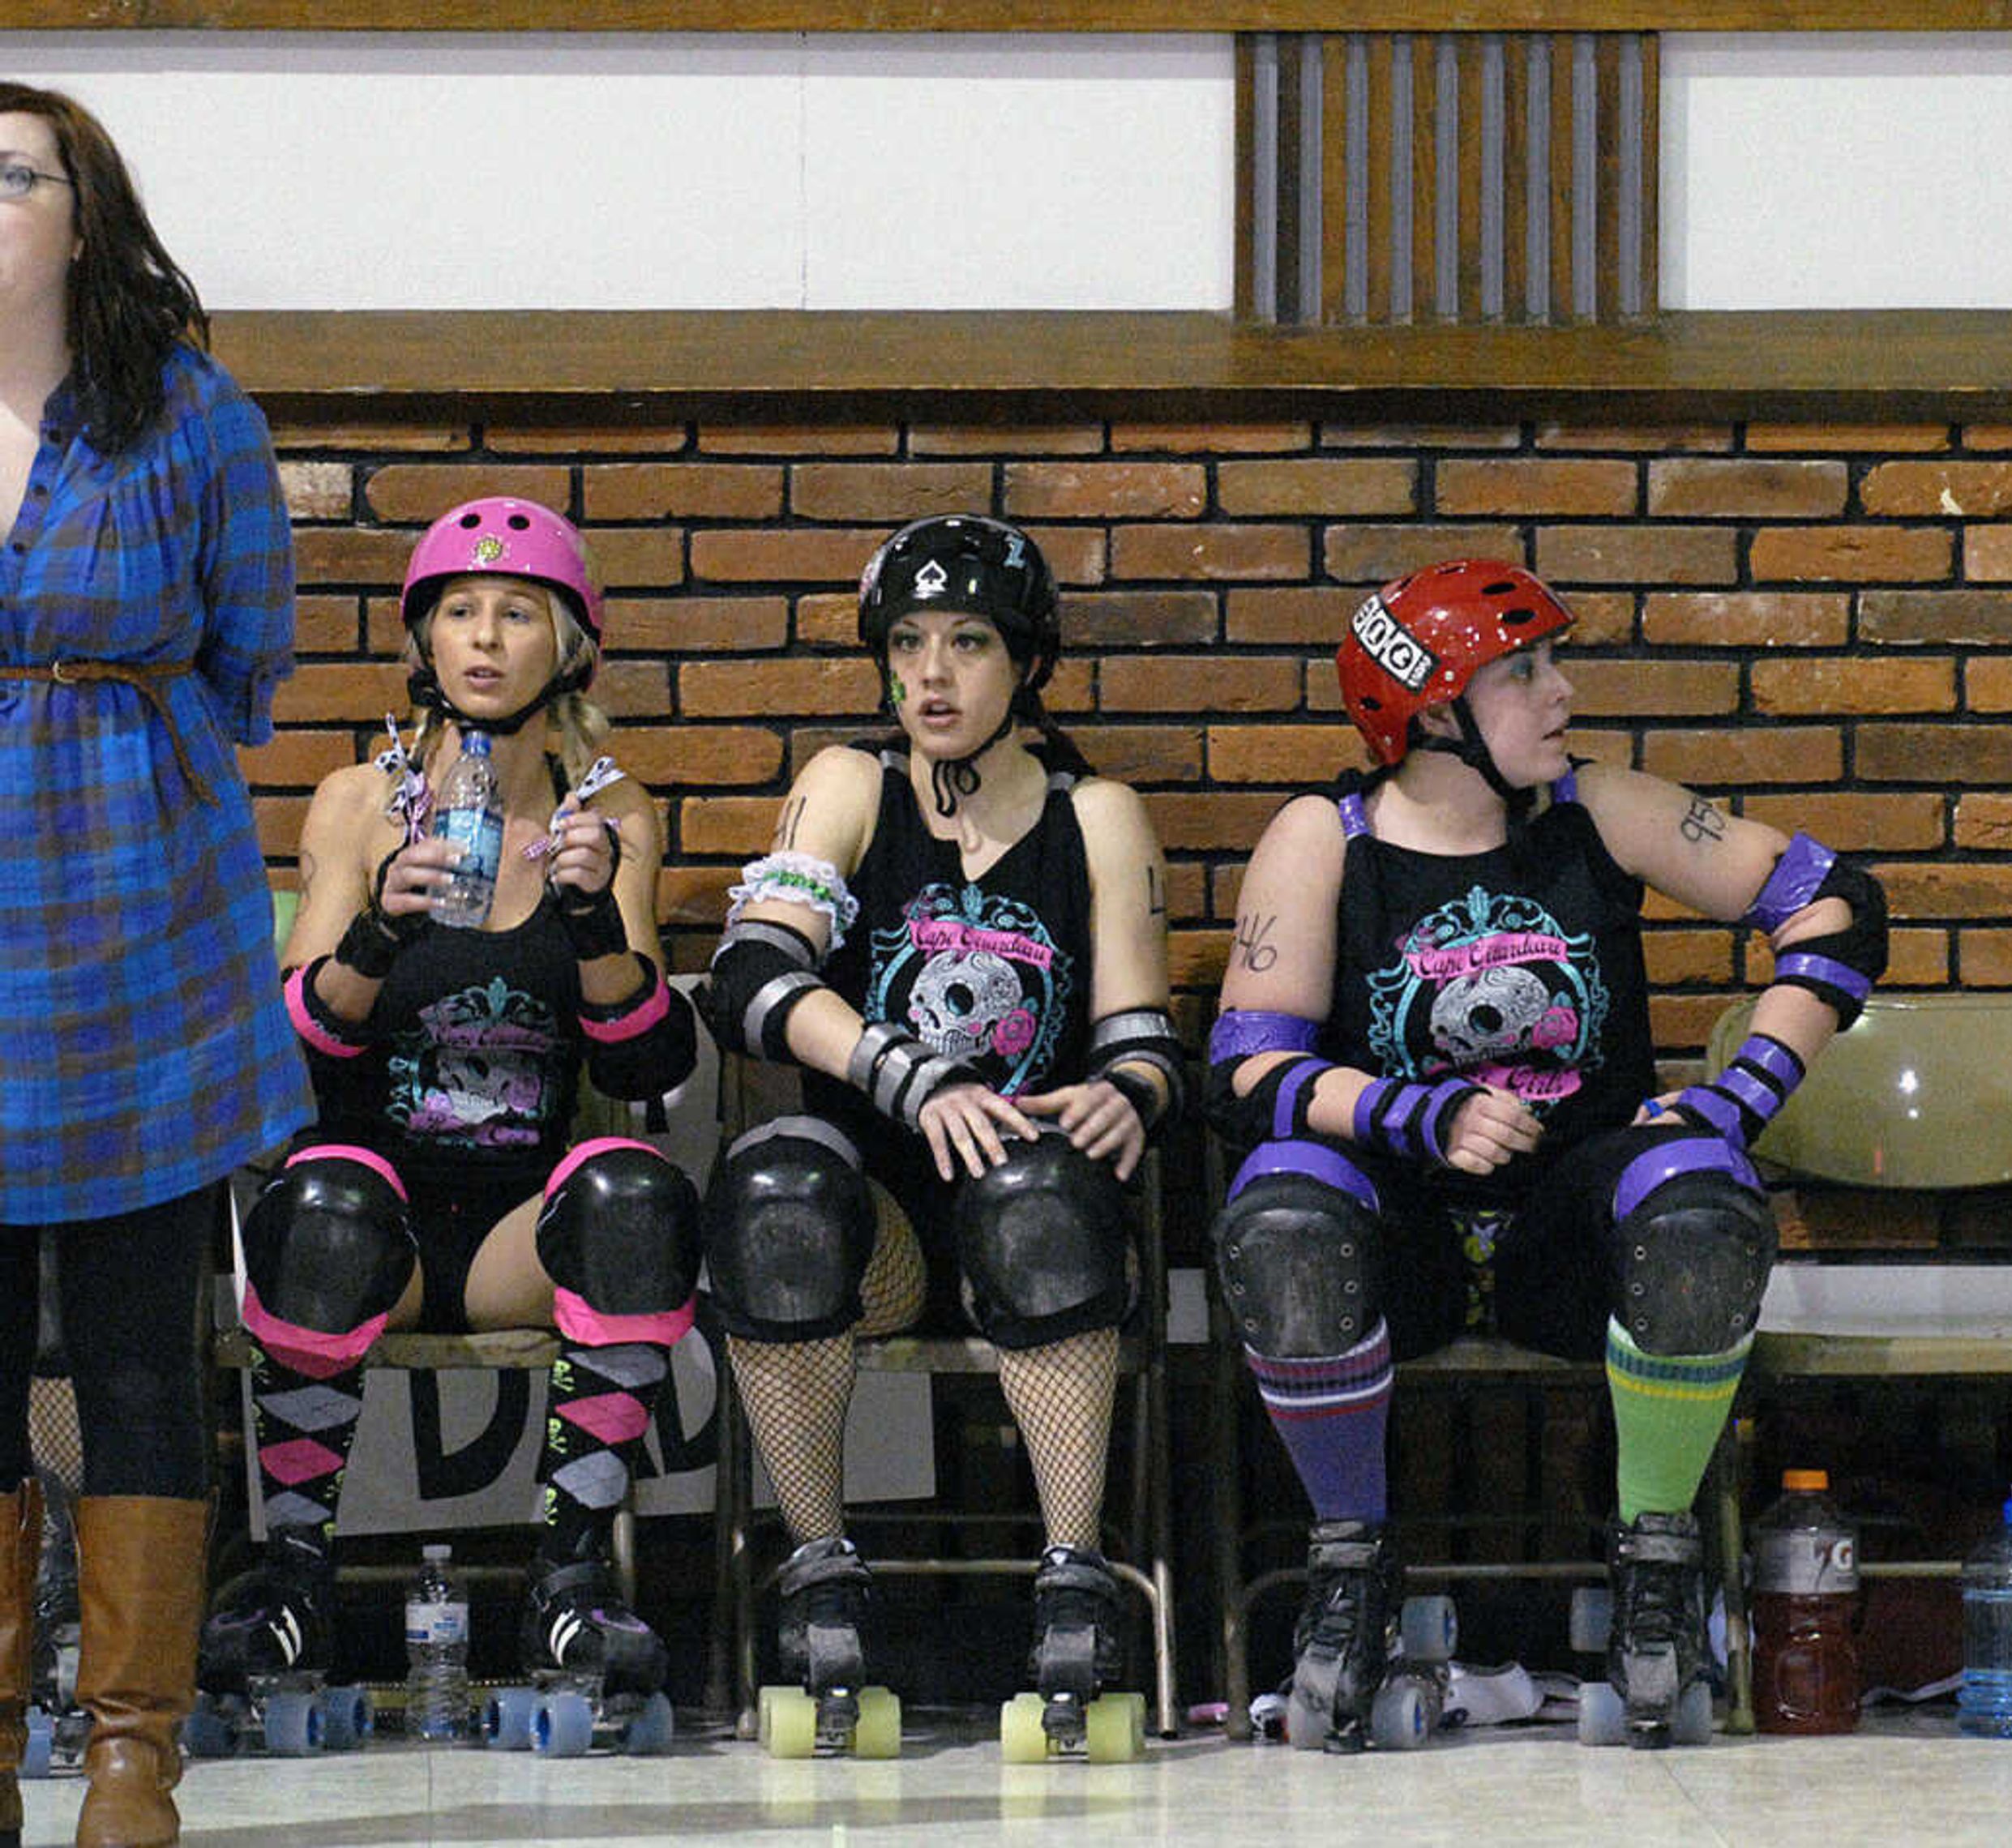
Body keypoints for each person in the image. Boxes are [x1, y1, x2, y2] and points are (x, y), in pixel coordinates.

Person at [1205, 559, 1886, 1752]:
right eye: (1522, 672)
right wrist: (1413, 1117)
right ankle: (1350, 1579)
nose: (1561, 692)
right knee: (1283, 1203)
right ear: (1430, 711)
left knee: (1701, 1196)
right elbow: (1243, 1073)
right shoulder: (1327, 836)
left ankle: (1656, 1576)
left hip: (1573, 1235)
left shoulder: (1603, 807)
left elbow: (1836, 906)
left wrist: (1740, 1096)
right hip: (1401, 1230)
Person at [204, 497, 702, 1730]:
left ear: (570, 646)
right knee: (319, 1207)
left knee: (637, 1192)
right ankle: (298, 1577)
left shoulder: (614, 812)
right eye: (459, 613)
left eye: (516, 613)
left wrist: (592, 919)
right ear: (422, 643)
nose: (484, 639)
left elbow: (646, 1059)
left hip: (512, 1233)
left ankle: (569, 1578)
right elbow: (292, 1046)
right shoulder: (357, 805)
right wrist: (378, 924)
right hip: (371, 1200)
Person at [702, 514, 1179, 1747]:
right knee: (776, 1196)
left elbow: (1143, 1040)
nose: (931, 673)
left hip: (1027, 1207)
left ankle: (1077, 1582)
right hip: (882, 1228)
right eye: (908, 642)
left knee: (1041, 1197)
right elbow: (750, 974)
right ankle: (820, 1577)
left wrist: (1124, 1094)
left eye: (967, 641)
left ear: (1025, 662)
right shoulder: (849, 785)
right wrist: (906, 1072)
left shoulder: (1098, 817)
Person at [0, 83, 311, 1848]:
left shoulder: (192, 416)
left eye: (11, 175)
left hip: (141, 908)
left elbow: (248, 660)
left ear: (83, 216)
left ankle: (132, 1754)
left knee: (131, 1347)